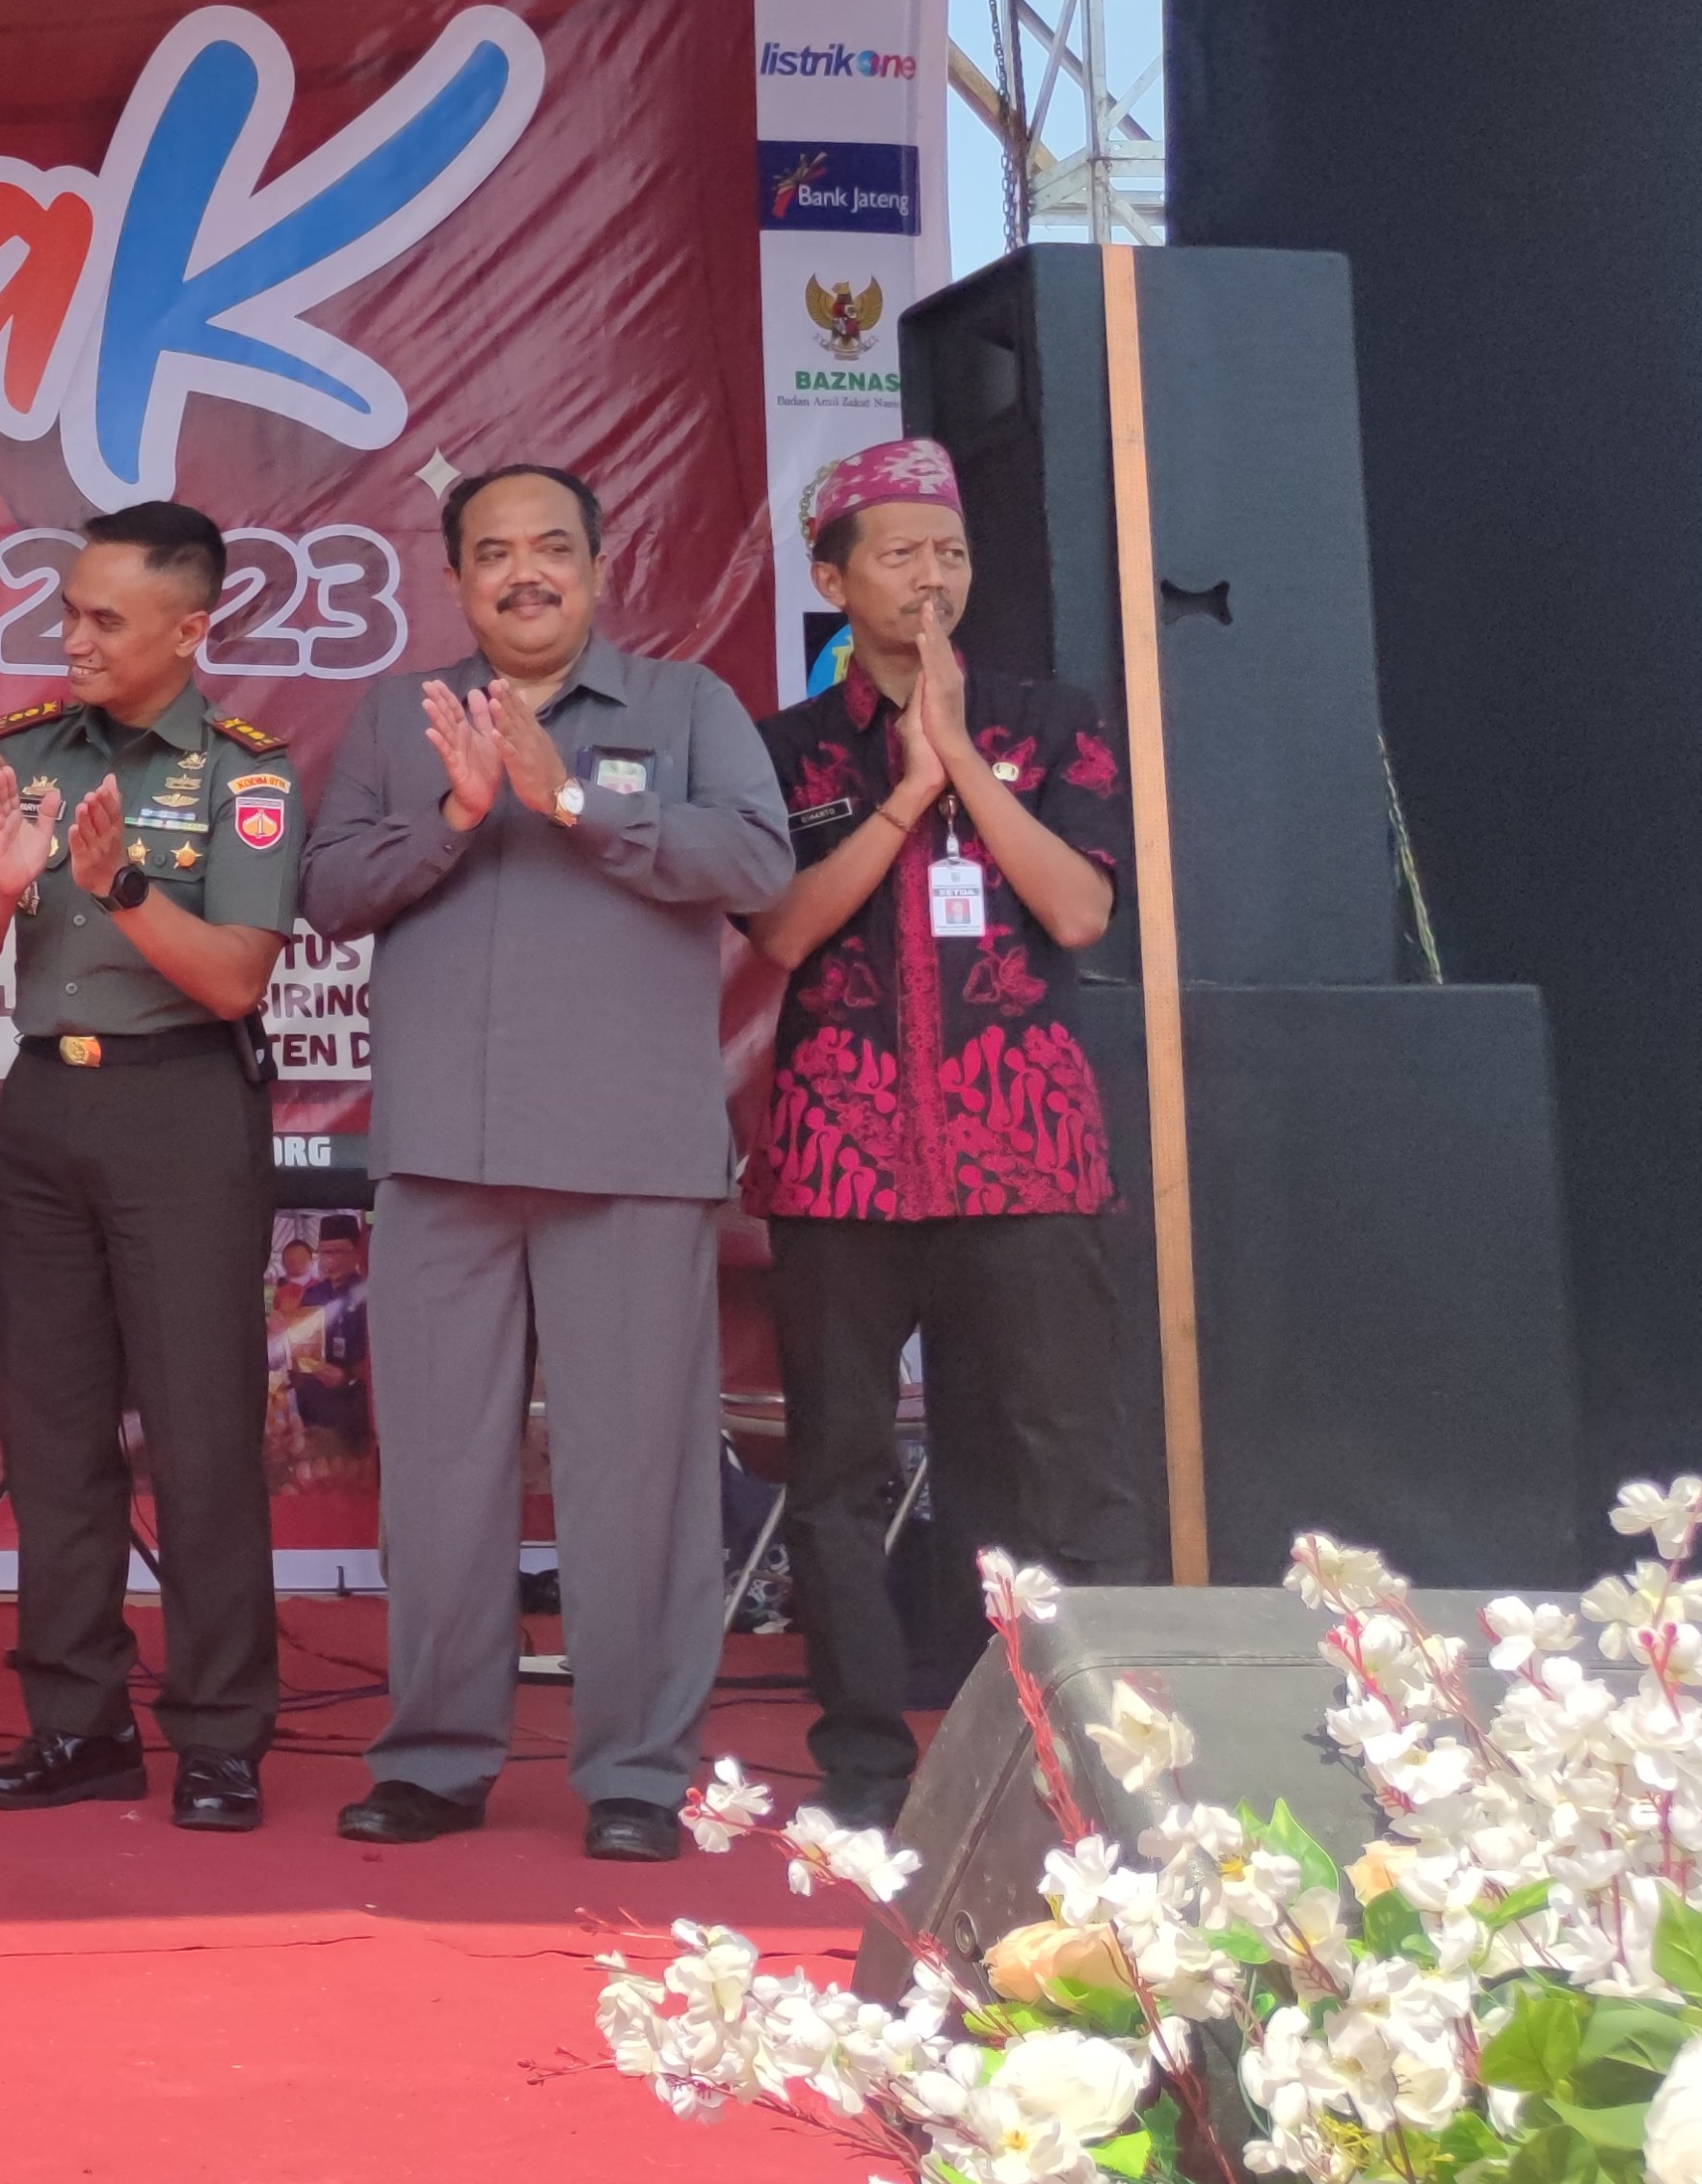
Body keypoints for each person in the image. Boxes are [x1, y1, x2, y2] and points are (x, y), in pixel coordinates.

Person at [301, 463, 789, 1861]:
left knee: (634, 1484)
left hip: (627, 1153)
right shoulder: (401, 716)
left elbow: (758, 868)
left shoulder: (686, 708)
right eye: (495, 552)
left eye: (553, 549)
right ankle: (435, 1760)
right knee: (440, 1478)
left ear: (598, 566)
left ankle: (635, 1773)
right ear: (458, 579)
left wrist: (572, 801)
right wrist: (456, 817)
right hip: (444, 1153)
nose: (527, 573)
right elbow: (329, 894)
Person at [742, 441, 1146, 1830]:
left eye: (951, 552)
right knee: (839, 1478)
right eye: (902, 552)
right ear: (833, 577)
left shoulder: (1050, 718)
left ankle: (1069, 1760)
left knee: (1057, 1462)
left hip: (1022, 1148)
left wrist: (963, 757)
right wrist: (904, 791)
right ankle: (865, 1766)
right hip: (840, 1156)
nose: (933, 576)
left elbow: (1079, 912)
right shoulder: (785, 750)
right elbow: (782, 932)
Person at [0, 500, 307, 1829]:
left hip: (181, 1108)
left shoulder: (246, 775)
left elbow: (236, 980)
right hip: (46, 1108)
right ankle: (75, 1724)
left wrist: (127, 891)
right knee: (53, 1439)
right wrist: (1, 885)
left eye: (105, 619)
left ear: (189, 630)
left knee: (201, 1439)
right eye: (68, 612)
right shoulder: (27, 750)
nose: (73, 639)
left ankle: (220, 1735)